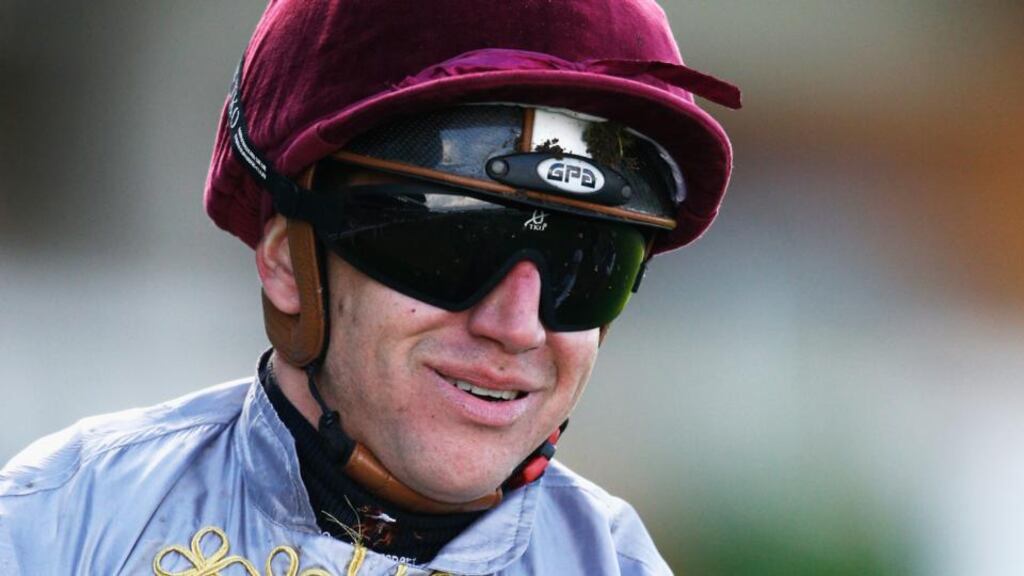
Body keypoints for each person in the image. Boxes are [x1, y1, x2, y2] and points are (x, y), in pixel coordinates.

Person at [0, 1, 739, 574]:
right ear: (288, 262)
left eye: (588, 266)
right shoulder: (58, 525)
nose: (517, 326)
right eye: (450, 241)